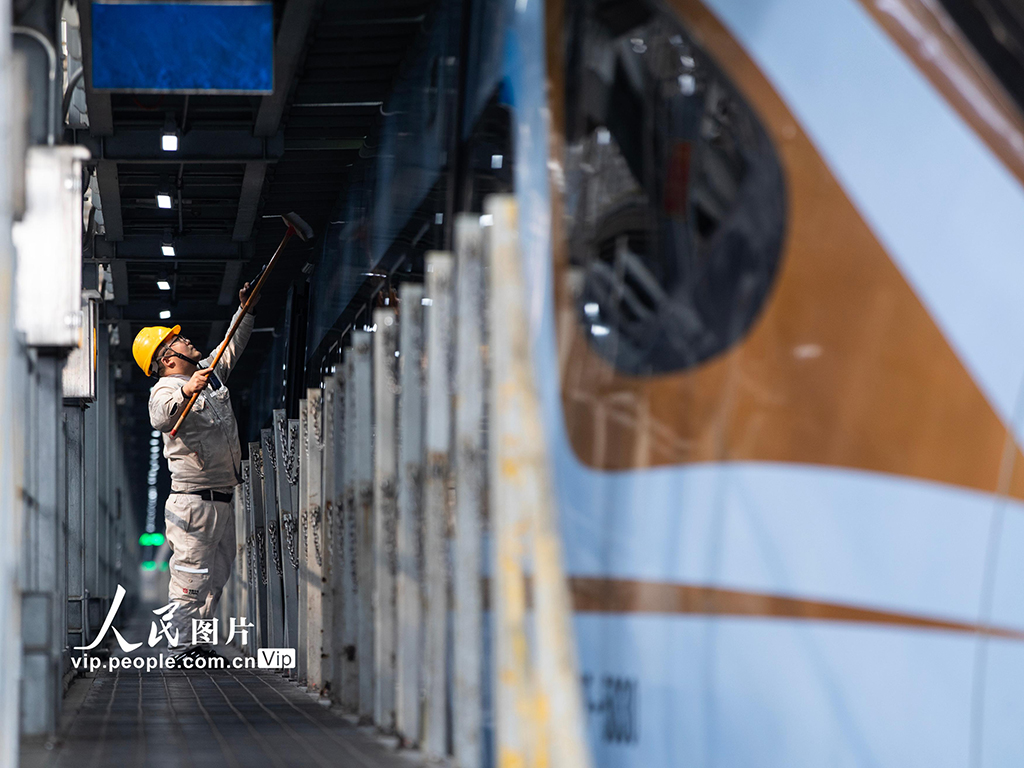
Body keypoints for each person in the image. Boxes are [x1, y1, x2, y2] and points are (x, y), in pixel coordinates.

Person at [131, 282, 258, 658]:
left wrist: (246, 310)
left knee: (216, 577)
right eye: (179, 340)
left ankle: (198, 643)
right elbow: (160, 416)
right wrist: (187, 392)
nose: (187, 340)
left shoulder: (208, 374)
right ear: (167, 359)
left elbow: (233, 343)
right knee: (189, 579)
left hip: (222, 497)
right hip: (193, 503)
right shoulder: (165, 389)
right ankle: (178, 648)